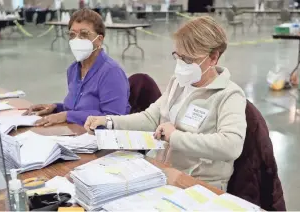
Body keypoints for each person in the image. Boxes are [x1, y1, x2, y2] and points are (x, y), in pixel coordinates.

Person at [84, 16, 247, 191]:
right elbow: (151, 118)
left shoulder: (229, 95)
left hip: (198, 185)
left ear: (214, 57)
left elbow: (231, 145)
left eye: (188, 60)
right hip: (163, 173)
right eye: (178, 56)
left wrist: (175, 136)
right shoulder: (178, 83)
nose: (181, 65)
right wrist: (109, 121)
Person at [24, 9, 130, 126]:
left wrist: (66, 115)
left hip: (99, 139)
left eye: (84, 34)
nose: (76, 40)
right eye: (72, 35)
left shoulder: (111, 72)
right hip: (75, 133)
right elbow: (76, 108)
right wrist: (55, 107)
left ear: (99, 40)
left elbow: (113, 118)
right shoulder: (73, 70)